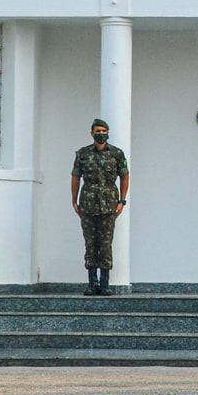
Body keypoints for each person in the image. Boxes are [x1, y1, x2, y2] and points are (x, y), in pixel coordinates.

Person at [69, 118, 129, 296]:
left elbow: (125, 177)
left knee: (105, 244)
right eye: (98, 131)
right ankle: (91, 283)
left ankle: (104, 284)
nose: (101, 134)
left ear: (108, 133)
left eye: (104, 131)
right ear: (91, 133)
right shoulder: (83, 154)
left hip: (109, 206)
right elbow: (75, 177)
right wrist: (74, 200)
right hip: (87, 205)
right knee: (90, 243)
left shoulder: (117, 154)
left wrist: (122, 201)